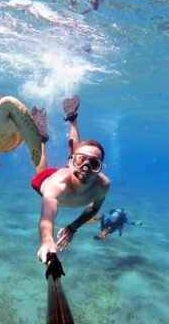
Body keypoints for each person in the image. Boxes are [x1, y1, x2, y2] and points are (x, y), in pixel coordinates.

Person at [31, 95, 110, 264]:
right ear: (72, 163)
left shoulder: (102, 185)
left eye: (94, 164)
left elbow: (95, 208)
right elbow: (47, 217)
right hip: (60, 179)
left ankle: (72, 118)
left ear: (100, 169)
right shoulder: (55, 186)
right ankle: (42, 139)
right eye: (81, 161)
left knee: (79, 151)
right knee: (41, 173)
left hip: (70, 170)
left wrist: (72, 227)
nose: (86, 168)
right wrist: (46, 240)